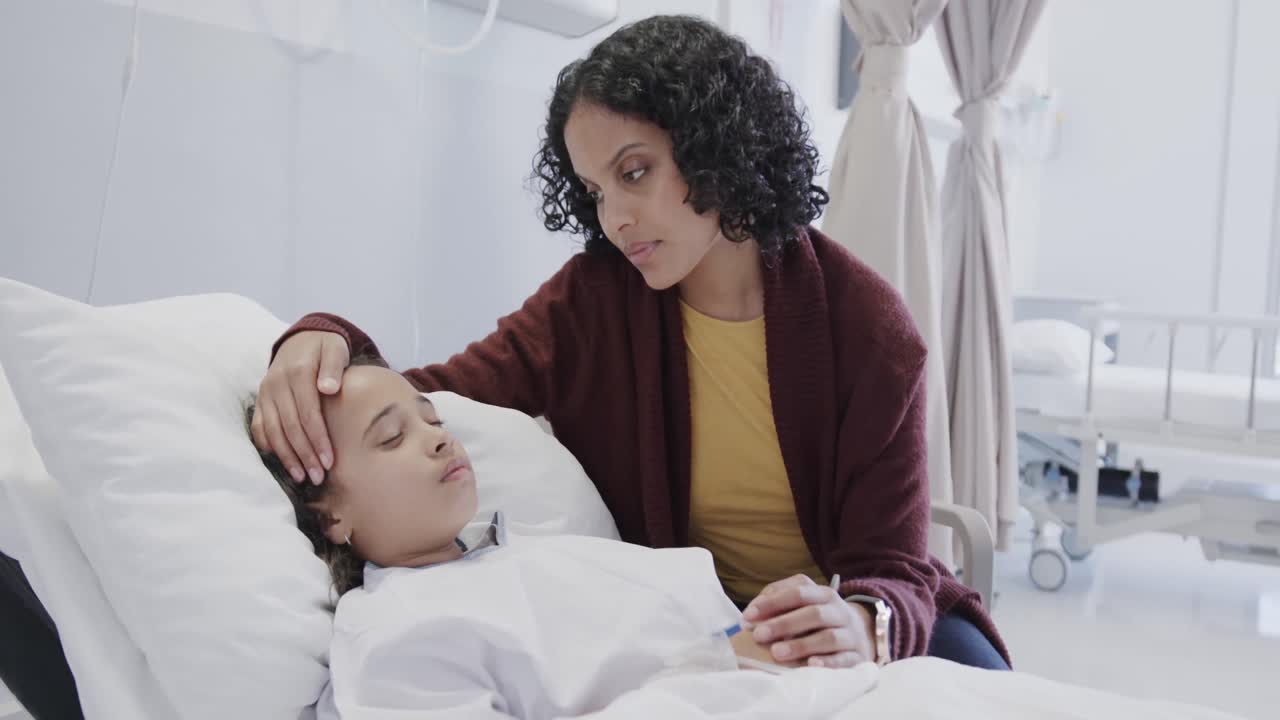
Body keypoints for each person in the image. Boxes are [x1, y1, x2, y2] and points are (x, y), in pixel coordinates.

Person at [251, 14, 1009, 671]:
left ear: (716, 148)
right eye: (595, 191)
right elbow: (426, 396)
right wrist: (324, 338)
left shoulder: (867, 328)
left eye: (635, 172)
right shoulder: (593, 302)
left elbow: (892, 566)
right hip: (691, 621)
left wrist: (861, 623)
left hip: (839, 611)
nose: (614, 218)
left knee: (977, 677)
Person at [247, 360, 866, 718]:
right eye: (391, 438)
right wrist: (727, 664)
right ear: (330, 518)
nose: (440, 437)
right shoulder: (393, 633)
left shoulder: (529, 550)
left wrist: (783, 629)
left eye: (433, 419)